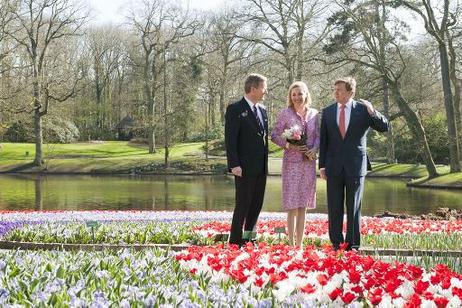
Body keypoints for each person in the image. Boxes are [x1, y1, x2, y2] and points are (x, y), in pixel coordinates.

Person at [319, 77, 389, 250]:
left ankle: (353, 245)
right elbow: (324, 141)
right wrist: (322, 166)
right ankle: (336, 243)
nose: (335, 93)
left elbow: (384, 127)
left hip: (356, 166)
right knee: (334, 207)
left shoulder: (363, 110)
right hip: (333, 166)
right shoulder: (327, 111)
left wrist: (373, 111)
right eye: (334, 90)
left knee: (354, 208)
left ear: (350, 92)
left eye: (339, 90)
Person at [271, 81, 319, 247]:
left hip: (308, 164)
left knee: (303, 206)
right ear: (290, 97)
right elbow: (275, 135)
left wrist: (314, 150)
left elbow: (319, 136)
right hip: (291, 163)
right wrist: (289, 145)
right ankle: (291, 245)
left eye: (300, 93)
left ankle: (300, 245)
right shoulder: (285, 113)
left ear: (306, 94)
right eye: (294, 94)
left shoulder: (314, 114)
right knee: (292, 205)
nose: (297, 97)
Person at [225, 73, 269, 246]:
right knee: (243, 204)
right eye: (263, 88)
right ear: (253, 89)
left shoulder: (263, 110)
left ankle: (249, 238)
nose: (265, 92)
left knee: (256, 205)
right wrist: (234, 164)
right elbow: (230, 139)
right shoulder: (235, 109)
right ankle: (235, 241)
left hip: (261, 167)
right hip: (243, 167)